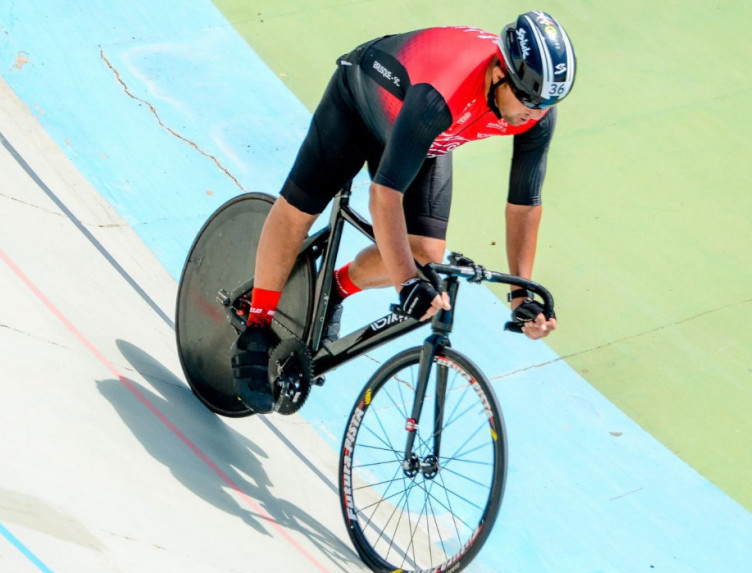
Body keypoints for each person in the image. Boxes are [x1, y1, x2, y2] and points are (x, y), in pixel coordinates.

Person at [231, 10, 577, 413]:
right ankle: (255, 322)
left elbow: (524, 203)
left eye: (546, 106)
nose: (533, 115)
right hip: (361, 106)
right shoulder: (442, 93)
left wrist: (521, 293)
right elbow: (384, 196)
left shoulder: (535, 114)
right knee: (301, 209)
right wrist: (405, 283)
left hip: (424, 136)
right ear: (500, 72)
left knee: (427, 255)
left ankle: (336, 290)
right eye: (529, 101)